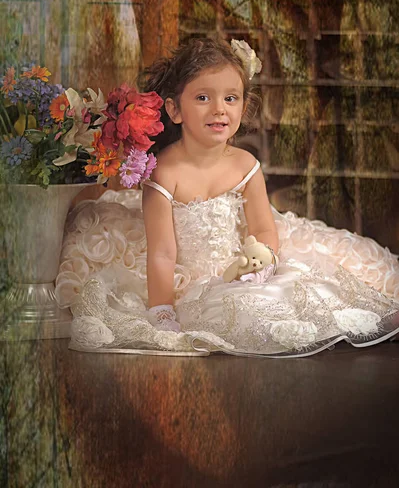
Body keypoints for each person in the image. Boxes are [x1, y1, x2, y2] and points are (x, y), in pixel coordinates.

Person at [56, 38, 399, 357]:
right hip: (188, 281)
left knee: (287, 299)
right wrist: (161, 310)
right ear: (175, 110)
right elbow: (162, 253)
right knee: (221, 313)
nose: (219, 109)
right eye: (203, 98)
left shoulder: (245, 165)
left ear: (244, 107)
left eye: (230, 98)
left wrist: (262, 262)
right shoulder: (163, 174)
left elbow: (264, 229)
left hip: (239, 269)